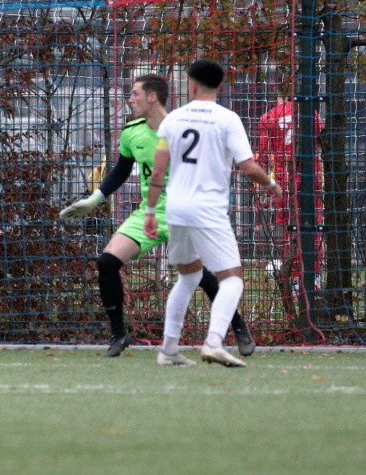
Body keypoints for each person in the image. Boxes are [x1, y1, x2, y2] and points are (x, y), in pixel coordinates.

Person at [60, 74, 254, 357]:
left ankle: (238, 327)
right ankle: (118, 334)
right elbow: (121, 170)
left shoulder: (182, 128)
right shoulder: (132, 131)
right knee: (106, 261)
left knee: (198, 275)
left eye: (135, 94)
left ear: (152, 97)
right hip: (149, 213)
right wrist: (95, 198)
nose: (129, 99)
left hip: (182, 211)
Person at [144, 60, 282, 367]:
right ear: (220, 86)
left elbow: (158, 170)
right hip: (207, 209)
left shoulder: (172, 120)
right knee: (233, 279)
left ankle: (167, 351)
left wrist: (150, 211)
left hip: (176, 208)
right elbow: (247, 166)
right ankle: (214, 342)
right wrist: (272, 184)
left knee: (189, 276)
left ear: (192, 85)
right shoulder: (227, 119)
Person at [257, 85, 325, 310]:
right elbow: (321, 141)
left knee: (289, 233)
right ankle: (314, 282)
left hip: (284, 184)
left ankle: (296, 282)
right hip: (309, 179)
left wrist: (263, 186)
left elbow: (264, 154)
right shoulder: (310, 113)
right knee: (313, 230)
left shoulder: (268, 117)